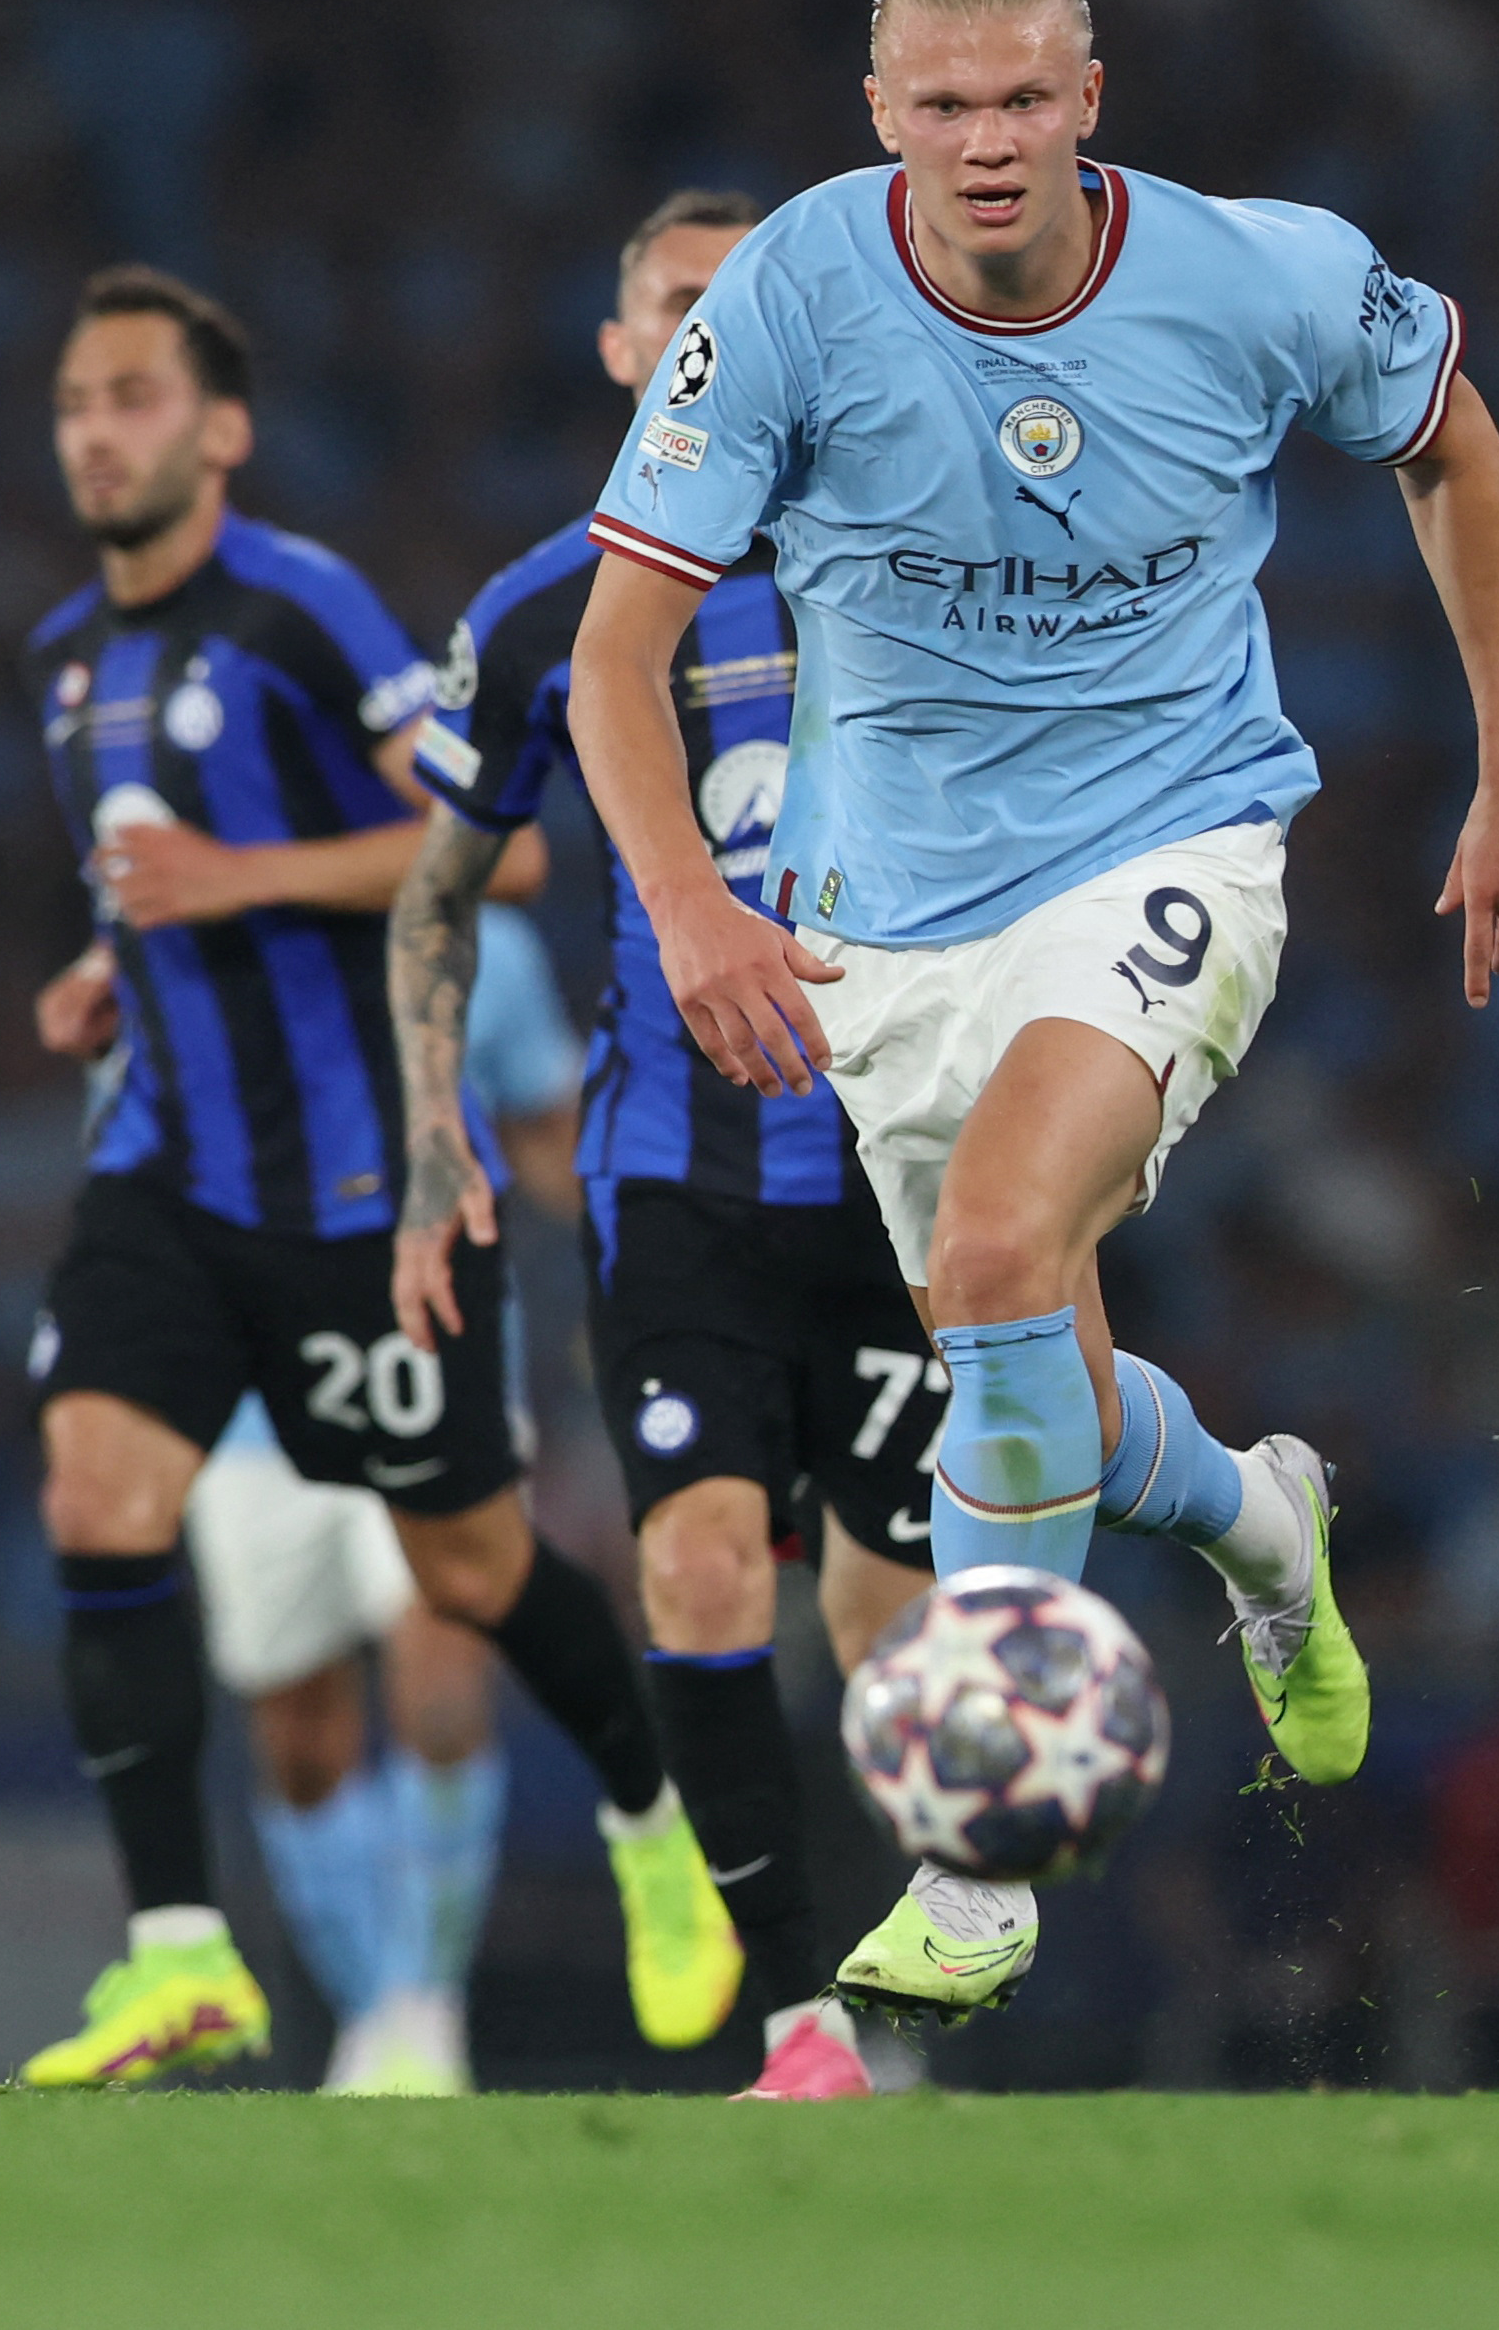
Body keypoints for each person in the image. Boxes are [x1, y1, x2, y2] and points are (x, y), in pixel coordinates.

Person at [558, 0, 1499, 2031]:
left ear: (1088, 94)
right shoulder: (788, 299)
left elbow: (1448, 443)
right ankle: (1256, 1521)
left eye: (1024, 97)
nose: (987, 141)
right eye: (943, 107)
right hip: (886, 929)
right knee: (1027, 1366)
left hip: (1169, 848)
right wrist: (688, 906)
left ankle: (972, 1864)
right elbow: (613, 658)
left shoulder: (1255, 272)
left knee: (1009, 1242)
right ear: (878, 121)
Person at [10, 263, 724, 2089]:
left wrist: (231, 897)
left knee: (469, 1579)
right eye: (76, 402)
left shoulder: (303, 610)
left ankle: (653, 1819)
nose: (99, 431)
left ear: (220, 430)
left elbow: (484, 858)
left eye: (135, 398)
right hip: (172, 1176)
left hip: (358, 1195)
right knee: (106, 1505)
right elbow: (160, 883)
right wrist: (121, 968)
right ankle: (191, 1957)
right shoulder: (65, 662)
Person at [391, 187, 948, 2102]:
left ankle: (923, 1997)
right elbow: (438, 894)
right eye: (676, 303)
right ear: (625, 348)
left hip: (906, 1184)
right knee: (702, 1576)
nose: (710, 333)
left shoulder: (918, 558)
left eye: (748, 303)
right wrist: (426, 1139)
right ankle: (798, 2022)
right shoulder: (547, 608)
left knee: (886, 1612)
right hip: (675, 1188)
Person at [178, 899, 583, 2096]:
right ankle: (378, 2016)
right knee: (298, 1738)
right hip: (255, 1400)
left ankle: (426, 2001)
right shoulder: (206, 939)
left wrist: (661, 1257)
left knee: (446, 1679)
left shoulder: (488, 946)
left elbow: (553, 1136)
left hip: (444, 1365)